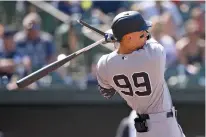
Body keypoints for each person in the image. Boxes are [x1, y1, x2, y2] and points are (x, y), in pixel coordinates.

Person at [96, 11, 185, 137]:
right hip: (165, 126)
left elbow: (106, 92)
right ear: (129, 38)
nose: (146, 35)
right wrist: (116, 38)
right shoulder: (154, 54)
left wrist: (118, 39)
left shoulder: (104, 64)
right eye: (142, 34)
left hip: (142, 130)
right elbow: (151, 40)